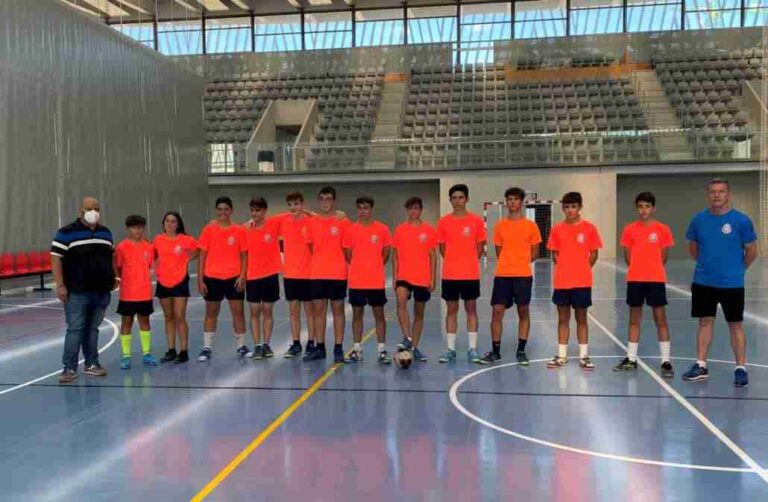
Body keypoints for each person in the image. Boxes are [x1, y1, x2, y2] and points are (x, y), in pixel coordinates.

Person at [682, 178, 757, 387]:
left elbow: (752, 251)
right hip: (704, 281)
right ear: (708, 195)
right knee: (704, 322)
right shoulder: (698, 220)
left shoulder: (741, 221)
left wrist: (738, 269)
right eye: (713, 192)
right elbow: (693, 248)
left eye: (721, 191)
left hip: (732, 283)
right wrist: (707, 266)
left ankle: (740, 368)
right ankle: (701, 365)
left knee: (735, 325)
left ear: (728, 194)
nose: (717, 195)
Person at [51, 197, 115, 383]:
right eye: (89, 208)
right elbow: (56, 258)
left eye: (97, 208)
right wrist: (60, 285)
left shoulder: (106, 233)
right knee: (75, 329)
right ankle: (69, 368)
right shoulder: (66, 233)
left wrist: (114, 277)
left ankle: (92, 364)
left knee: (92, 329)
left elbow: (110, 257)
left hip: (101, 290)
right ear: (81, 210)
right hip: (76, 291)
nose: (93, 211)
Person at [614, 192, 675, 378]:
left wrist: (652, 269)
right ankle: (631, 359)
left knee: (660, 319)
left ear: (653, 208)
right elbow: (627, 256)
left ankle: (666, 361)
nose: (644, 210)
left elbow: (663, 256)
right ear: (636, 208)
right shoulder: (629, 229)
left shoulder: (663, 229)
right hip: (635, 280)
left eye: (647, 206)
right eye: (640, 206)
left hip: (656, 280)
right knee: (634, 319)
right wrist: (639, 270)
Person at [480, 187, 542, 365]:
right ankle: (496, 351)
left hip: (523, 275)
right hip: (503, 276)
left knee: (523, 311)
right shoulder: (500, 225)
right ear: (506, 202)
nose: (512, 202)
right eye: (509, 199)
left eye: (516, 199)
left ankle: (521, 351)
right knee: (497, 311)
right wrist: (509, 262)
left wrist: (520, 263)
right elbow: (499, 251)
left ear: (521, 202)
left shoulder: (531, 226)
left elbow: (535, 252)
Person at [546, 192, 602, 371]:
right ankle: (561, 355)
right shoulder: (557, 229)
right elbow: (554, 254)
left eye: (574, 206)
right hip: (562, 282)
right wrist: (565, 268)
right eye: (567, 207)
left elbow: (594, 254)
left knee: (581, 318)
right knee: (563, 319)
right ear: (563, 208)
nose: (571, 210)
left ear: (580, 207)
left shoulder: (589, 228)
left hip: (582, 282)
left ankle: (584, 356)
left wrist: (582, 269)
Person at [437, 184, 487, 364]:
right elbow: (442, 248)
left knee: (471, 310)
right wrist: (454, 261)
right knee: (451, 311)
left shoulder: (476, 221)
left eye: (460, 197)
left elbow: (480, 247)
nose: (457, 201)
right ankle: (450, 349)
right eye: (454, 198)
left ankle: (472, 349)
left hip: (470, 275)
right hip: (450, 275)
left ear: (466, 199)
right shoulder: (444, 221)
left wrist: (468, 262)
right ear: (450, 200)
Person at [197, 196, 248, 362]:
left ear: (231, 211)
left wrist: (242, 276)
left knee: (238, 313)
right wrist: (200, 279)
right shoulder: (208, 230)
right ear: (216, 211)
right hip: (212, 278)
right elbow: (202, 256)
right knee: (211, 313)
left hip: (233, 278)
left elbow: (244, 255)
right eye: (220, 209)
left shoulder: (239, 230)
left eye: (226, 209)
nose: (223, 212)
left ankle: (241, 345)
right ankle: (207, 347)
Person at [343, 195, 393, 364]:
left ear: (371, 209)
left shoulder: (382, 229)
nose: (363, 211)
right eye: (360, 208)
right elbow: (348, 255)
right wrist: (360, 266)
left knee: (379, 315)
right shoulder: (350, 230)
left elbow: (386, 253)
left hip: (376, 281)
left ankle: (382, 350)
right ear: (357, 209)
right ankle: (357, 349)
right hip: (357, 281)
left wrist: (374, 265)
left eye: (366, 208)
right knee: (357, 315)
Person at [306, 186, 351, 363]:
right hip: (317, 273)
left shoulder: (343, 222)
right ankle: (320, 347)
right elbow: (311, 247)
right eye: (322, 198)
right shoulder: (312, 222)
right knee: (319, 311)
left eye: (328, 199)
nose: (325, 202)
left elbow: (347, 247)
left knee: (338, 310)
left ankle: (338, 348)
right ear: (319, 200)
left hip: (338, 273)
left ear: (334, 201)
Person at [392, 196, 437, 362]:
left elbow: (433, 257)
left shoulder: (429, 230)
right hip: (404, 276)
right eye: (410, 208)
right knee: (401, 303)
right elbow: (395, 255)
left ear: (420, 210)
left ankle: (415, 347)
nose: (413, 211)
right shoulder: (399, 230)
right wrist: (396, 275)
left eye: (416, 208)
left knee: (419, 314)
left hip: (422, 277)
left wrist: (433, 278)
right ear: (407, 211)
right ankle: (407, 337)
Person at [154, 211, 198, 364]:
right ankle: (171, 349)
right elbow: (154, 256)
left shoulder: (186, 239)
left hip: (180, 281)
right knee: (168, 316)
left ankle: (183, 351)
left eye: (173, 221)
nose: (170, 224)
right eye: (167, 221)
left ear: (178, 224)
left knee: (180, 316)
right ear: (164, 224)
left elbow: (197, 251)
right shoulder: (158, 240)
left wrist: (186, 260)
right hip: (163, 282)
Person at [115, 215, 157, 369]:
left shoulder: (149, 247)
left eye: (140, 227)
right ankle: (126, 356)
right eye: (134, 227)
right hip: (127, 293)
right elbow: (118, 267)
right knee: (126, 323)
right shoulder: (121, 247)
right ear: (128, 229)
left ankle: (146, 353)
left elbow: (151, 266)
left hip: (144, 292)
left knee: (144, 322)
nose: (137, 230)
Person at [243, 197, 281, 360]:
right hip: (252, 276)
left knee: (267, 311)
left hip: (270, 276)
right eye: (252, 210)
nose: (255, 214)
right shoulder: (244, 229)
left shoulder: (274, 224)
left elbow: (295, 213)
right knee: (254, 312)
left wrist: (339, 214)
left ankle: (266, 344)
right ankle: (257, 345)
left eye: (258, 210)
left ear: (264, 211)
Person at [279, 191, 316, 358]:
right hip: (290, 274)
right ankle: (295, 344)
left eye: (296, 204)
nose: (293, 207)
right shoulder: (283, 222)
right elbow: (258, 222)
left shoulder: (311, 221)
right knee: (293, 311)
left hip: (308, 274)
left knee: (310, 311)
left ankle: (311, 342)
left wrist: (309, 212)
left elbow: (337, 216)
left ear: (302, 204)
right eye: (290, 204)